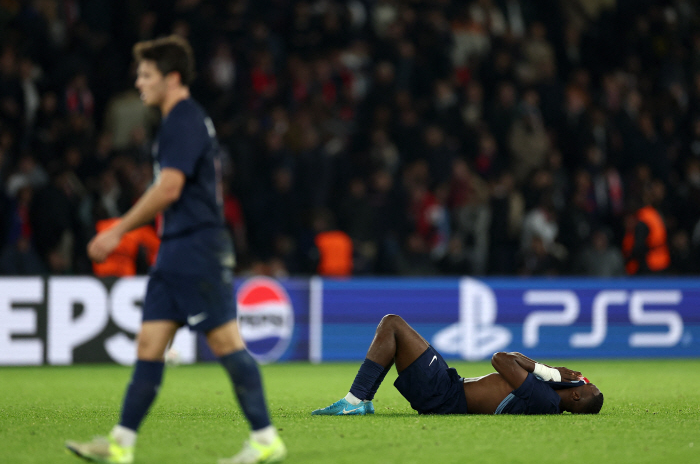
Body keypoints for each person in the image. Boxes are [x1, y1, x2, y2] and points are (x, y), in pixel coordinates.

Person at [65, 36, 286, 464]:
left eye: (146, 74)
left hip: (197, 248)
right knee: (149, 343)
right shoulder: (177, 121)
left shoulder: (183, 119)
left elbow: (169, 187)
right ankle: (120, 444)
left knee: (225, 343)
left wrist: (117, 232)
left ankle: (265, 438)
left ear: (172, 77)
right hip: (176, 250)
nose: (139, 82)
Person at [312, 314, 603, 416]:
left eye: (583, 384)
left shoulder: (546, 400)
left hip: (443, 396)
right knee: (394, 328)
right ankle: (361, 401)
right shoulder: (546, 398)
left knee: (393, 325)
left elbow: (500, 359)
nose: (579, 379)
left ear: (576, 395)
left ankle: (355, 400)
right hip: (449, 386)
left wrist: (551, 372)